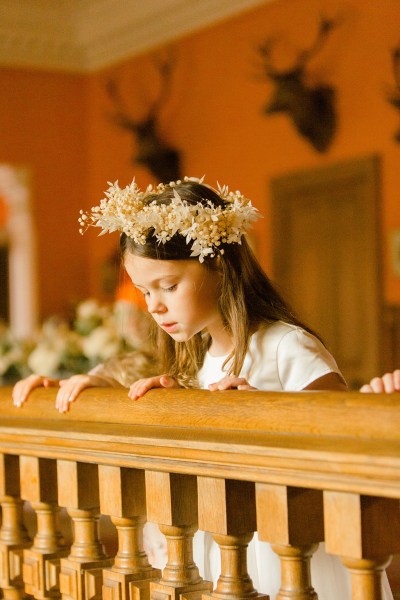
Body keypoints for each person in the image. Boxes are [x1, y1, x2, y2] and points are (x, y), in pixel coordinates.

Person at [12, 176, 392, 600]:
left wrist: (261, 410)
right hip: (224, 547)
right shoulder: (194, 357)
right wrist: (102, 382)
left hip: (286, 550)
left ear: (220, 268)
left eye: (169, 287)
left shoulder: (285, 344)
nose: (154, 305)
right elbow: (142, 370)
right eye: (144, 291)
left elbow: (339, 420)